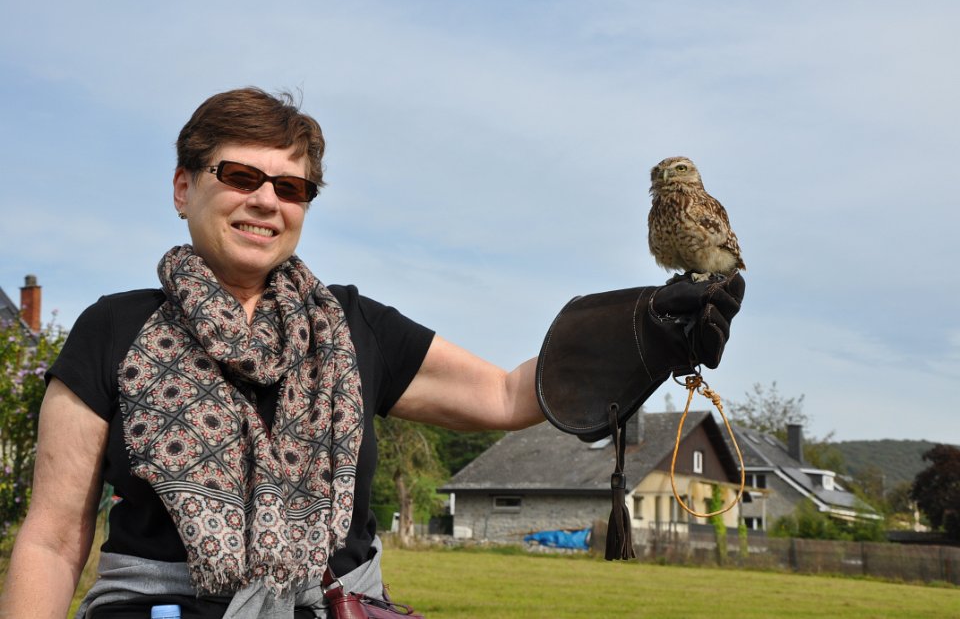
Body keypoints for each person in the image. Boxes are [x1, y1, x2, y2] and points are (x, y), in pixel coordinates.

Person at [0, 87, 743, 618]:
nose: (266, 200)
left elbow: (507, 395)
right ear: (182, 187)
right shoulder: (114, 329)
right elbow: (54, 539)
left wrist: (646, 325)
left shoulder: (354, 327)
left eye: (291, 186)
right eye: (240, 176)